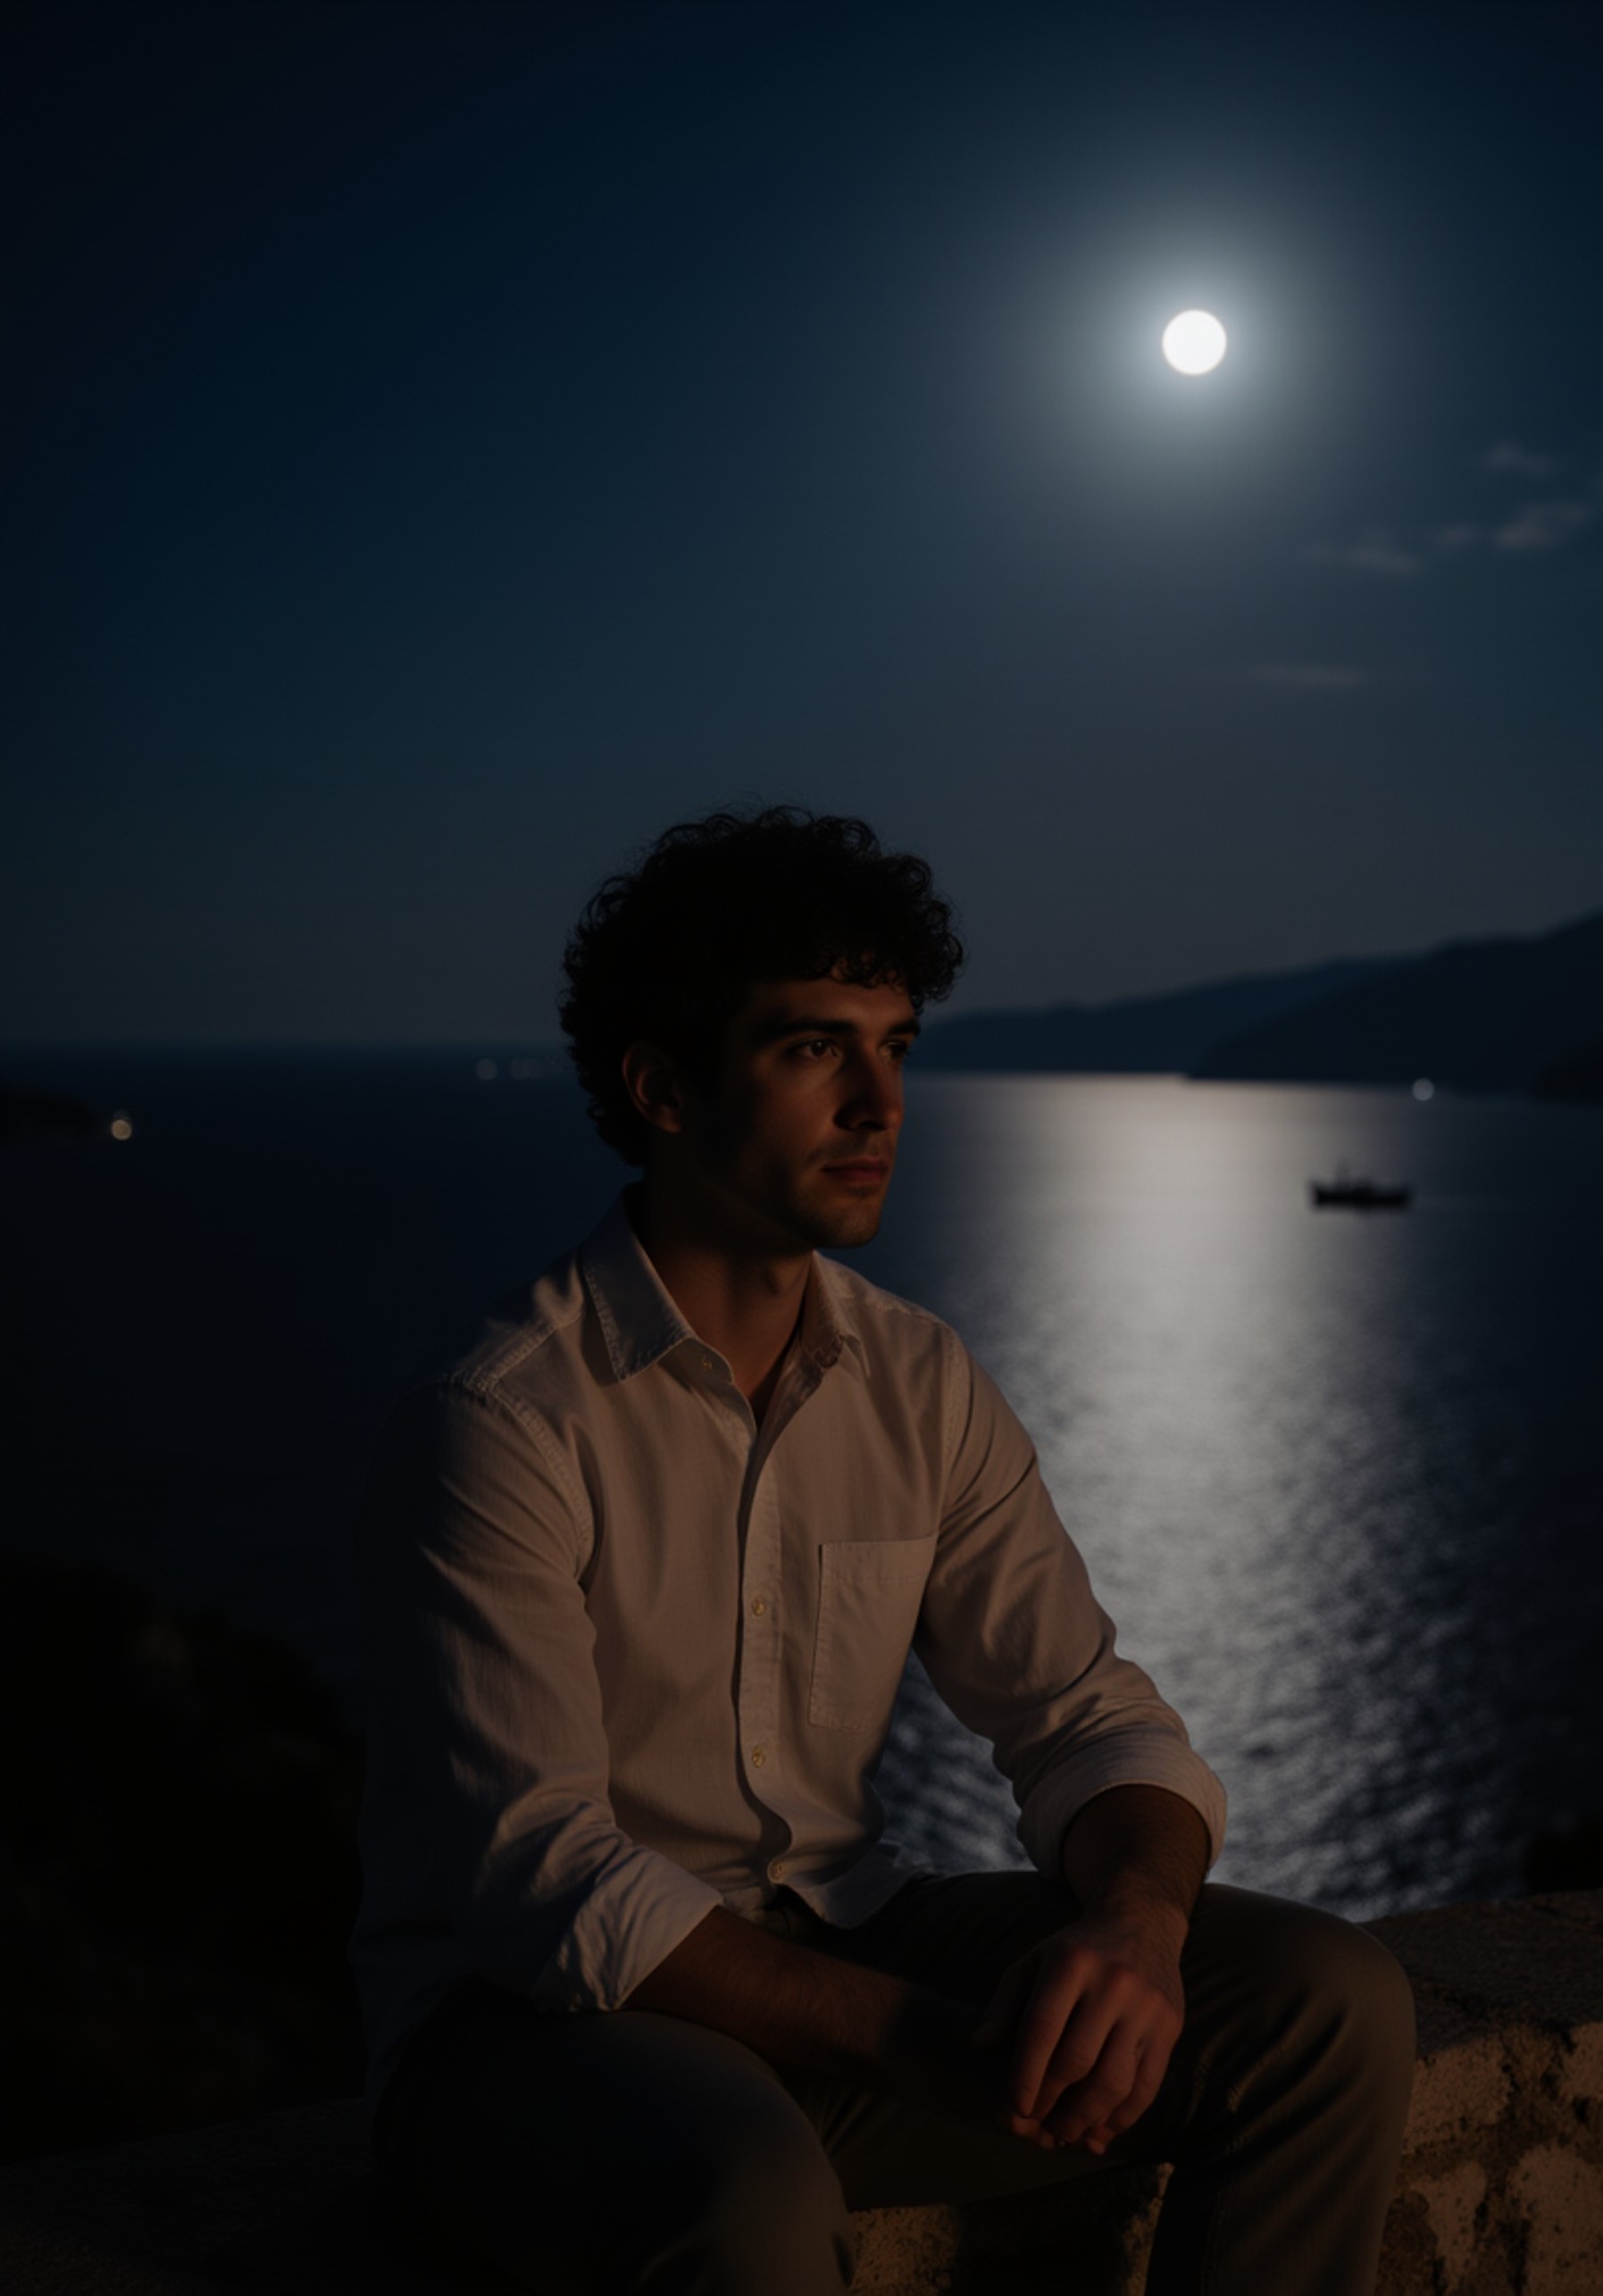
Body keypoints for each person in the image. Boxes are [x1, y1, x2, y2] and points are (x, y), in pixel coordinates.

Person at [352, 806, 1415, 2296]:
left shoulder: (919, 1382)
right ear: (662, 1087)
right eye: (813, 1049)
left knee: (1328, 2002)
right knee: (743, 2183)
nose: (880, 1102)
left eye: (896, 1046)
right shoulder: (504, 1417)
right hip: (530, 2028)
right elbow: (544, 1880)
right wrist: (929, 2042)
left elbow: (1087, 1718)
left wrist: (1135, 1927)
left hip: (843, 1935)